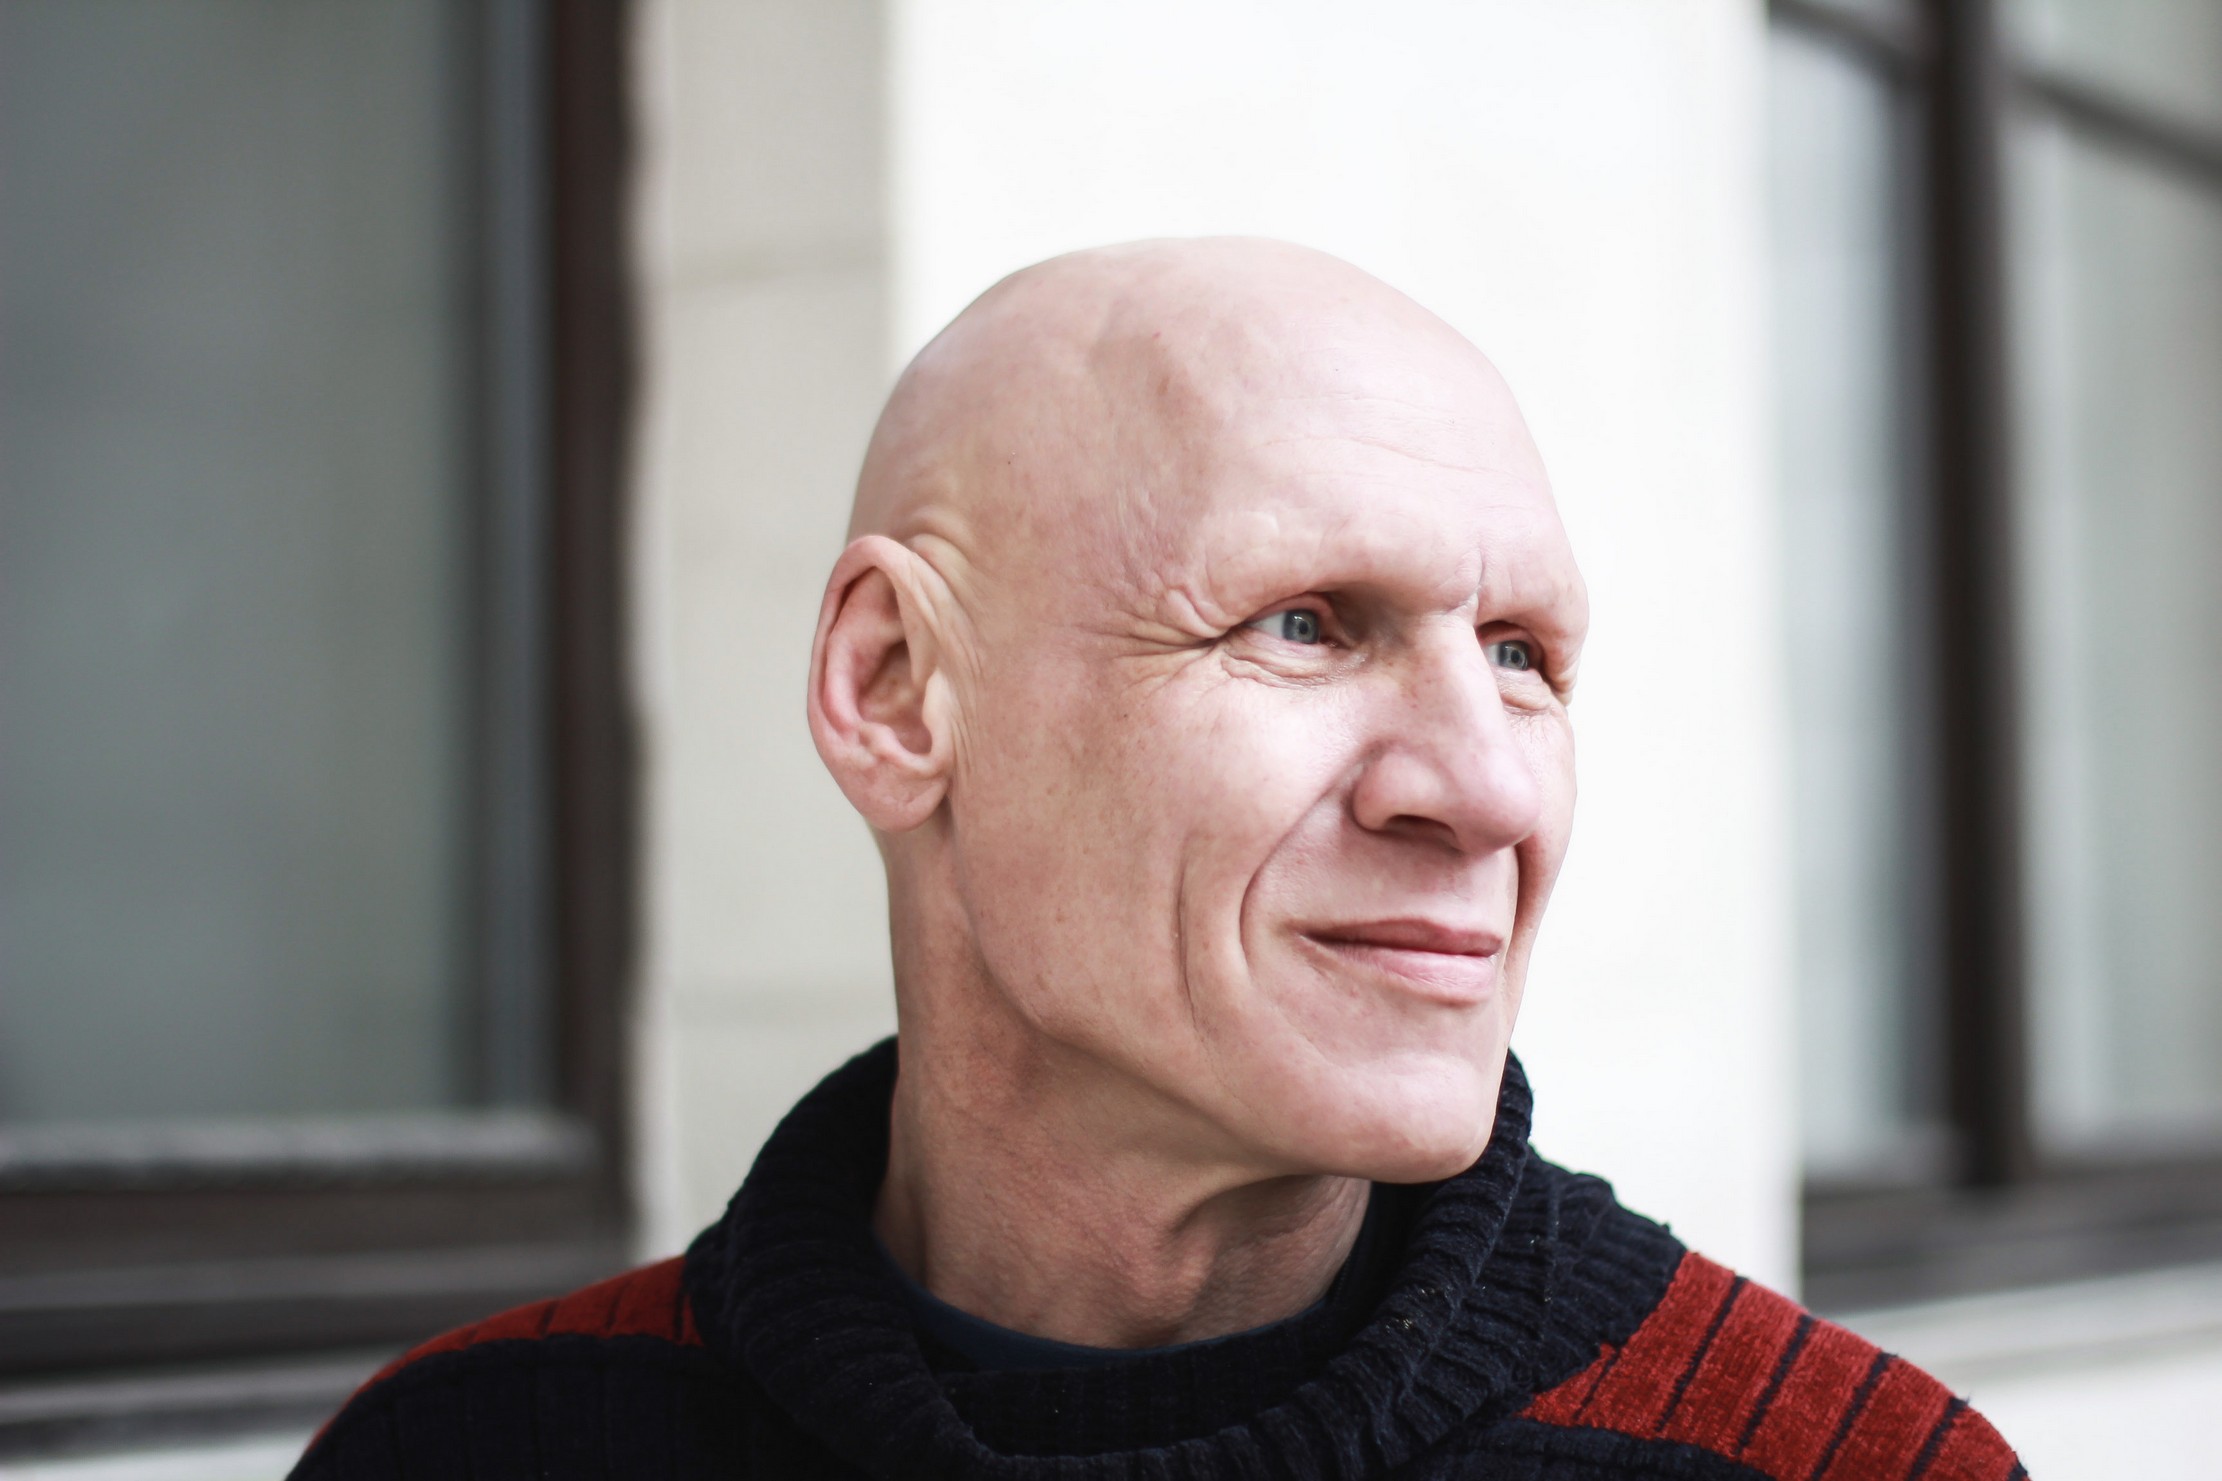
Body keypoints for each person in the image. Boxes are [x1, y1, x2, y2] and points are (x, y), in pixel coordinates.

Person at [292, 240, 2022, 1480]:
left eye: (1520, 655)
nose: (1487, 790)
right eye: (1304, 622)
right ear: (893, 689)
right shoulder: (470, 1450)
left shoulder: (1843, 1464)